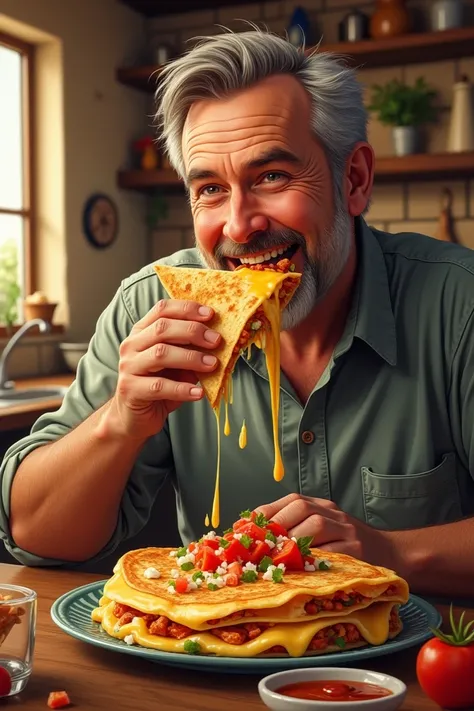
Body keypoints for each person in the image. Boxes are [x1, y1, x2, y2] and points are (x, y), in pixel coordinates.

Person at [1, 29, 473, 597]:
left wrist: (392, 551)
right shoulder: (149, 309)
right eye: (210, 190)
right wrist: (119, 421)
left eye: (270, 177)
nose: (238, 225)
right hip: (206, 669)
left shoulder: (458, 305)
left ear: (355, 180)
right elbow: (36, 534)